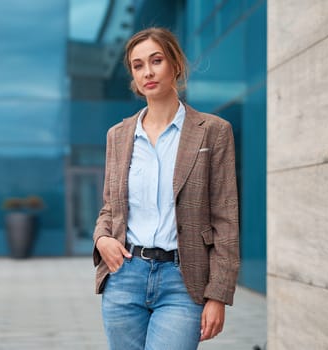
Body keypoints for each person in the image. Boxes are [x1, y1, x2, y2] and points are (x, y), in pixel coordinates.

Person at [92, 27, 240, 350]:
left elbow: (226, 220)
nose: (147, 72)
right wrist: (102, 238)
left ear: (175, 64)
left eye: (156, 60)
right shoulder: (117, 136)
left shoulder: (213, 132)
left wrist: (217, 295)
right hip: (124, 277)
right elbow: (109, 207)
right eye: (138, 65)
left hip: (183, 281)